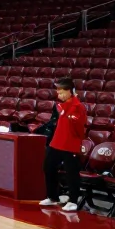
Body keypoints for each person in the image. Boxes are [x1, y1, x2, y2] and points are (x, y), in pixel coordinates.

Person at [37, 77, 87, 212]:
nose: (58, 95)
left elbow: (78, 128)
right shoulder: (61, 106)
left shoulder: (78, 107)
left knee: (72, 173)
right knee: (48, 167)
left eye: (61, 92)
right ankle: (53, 197)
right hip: (56, 142)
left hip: (71, 144)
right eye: (58, 92)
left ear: (70, 91)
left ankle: (73, 201)